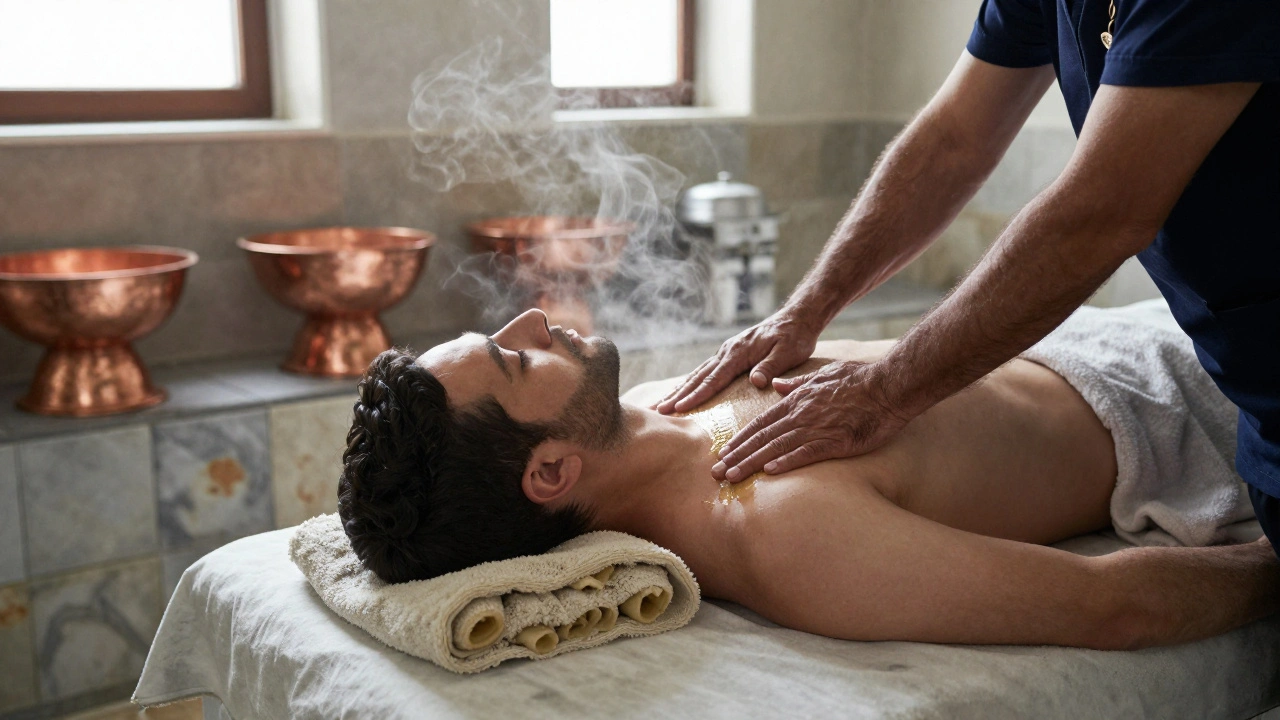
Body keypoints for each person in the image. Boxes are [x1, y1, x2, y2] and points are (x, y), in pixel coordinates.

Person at [654, 1, 1280, 556]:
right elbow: (953, 140)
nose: (550, 323)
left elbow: (1101, 212)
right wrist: (806, 310)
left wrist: (882, 394)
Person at [338, 309, 1279, 650]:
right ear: (550, 470)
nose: (535, 321)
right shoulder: (779, 527)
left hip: (1112, 326)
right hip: (1200, 402)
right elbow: (1111, 610)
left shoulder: (664, 402)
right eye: (514, 361)